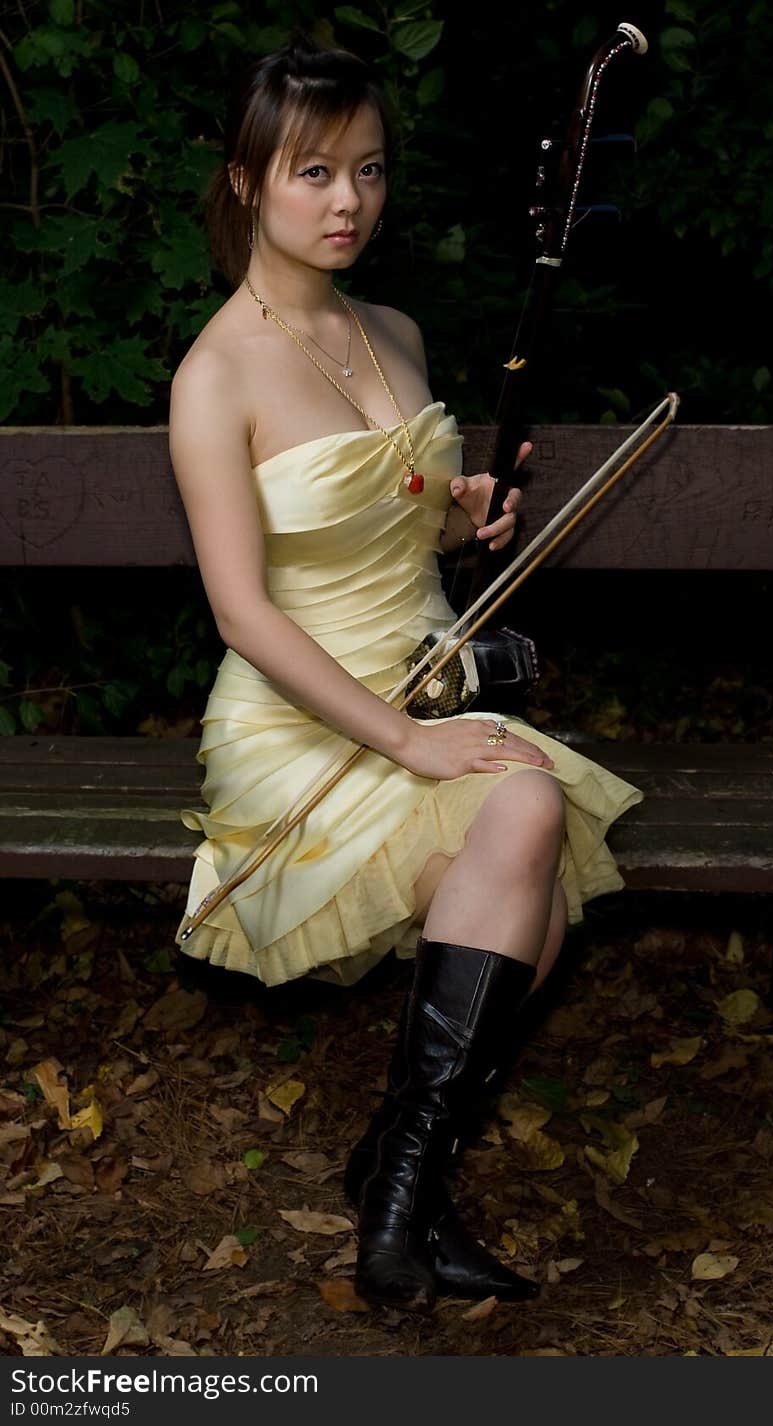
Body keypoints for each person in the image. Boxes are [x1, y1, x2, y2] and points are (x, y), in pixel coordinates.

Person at [169, 36, 643, 1312]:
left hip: (424, 680)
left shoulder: (393, 330)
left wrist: (459, 517)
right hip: (303, 712)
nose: (345, 203)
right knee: (526, 828)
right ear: (245, 182)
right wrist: (409, 740)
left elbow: (408, 526)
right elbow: (243, 609)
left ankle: (397, 1189)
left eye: (368, 172)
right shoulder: (216, 374)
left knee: (526, 867)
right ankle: (399, 1195)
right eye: (312, 172)